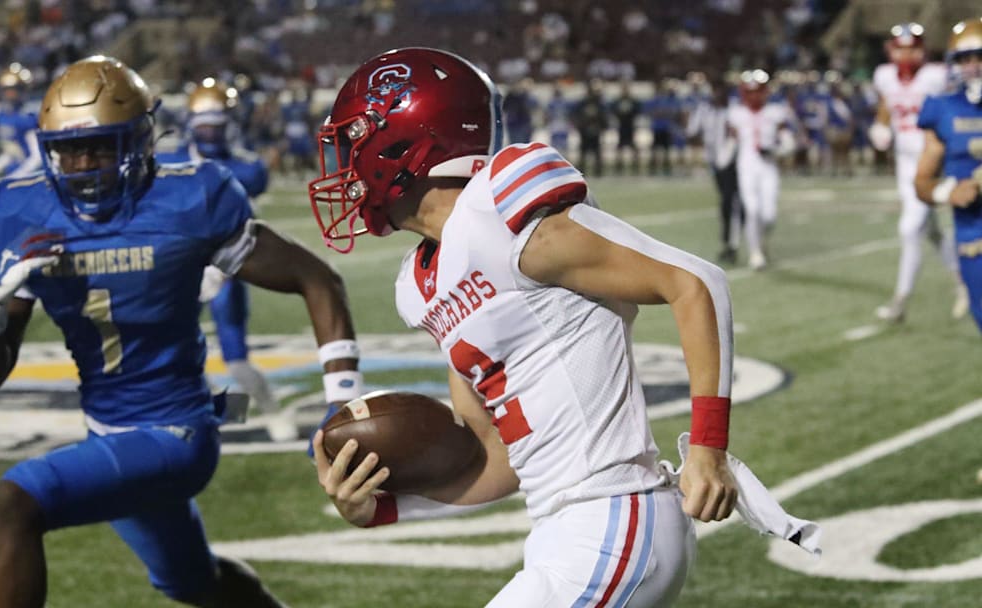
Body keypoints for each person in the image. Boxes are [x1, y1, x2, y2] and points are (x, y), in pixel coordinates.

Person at [307, 47, 739, 607]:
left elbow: (694, 283)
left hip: (615, 516)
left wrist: (708, 449)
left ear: (406, 141)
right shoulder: (420, 287)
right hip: (563, 532)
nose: (346, 166)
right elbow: (496, 459)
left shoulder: (500, 209)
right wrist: (383, 507)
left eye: (355, 142)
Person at [0, 56, 362, 608]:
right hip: (107, 432)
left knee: (17, 501)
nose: (82, 165)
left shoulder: (187, 198)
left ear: (141, 140)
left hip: (177, 432)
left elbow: (316, 279)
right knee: (199, 586)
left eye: (101, 146)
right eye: (68, 150)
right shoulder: (22, 212)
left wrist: (342, 399)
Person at [155, 78, 294, 441]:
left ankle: (272, 411)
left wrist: (223, 269)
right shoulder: (169, 161)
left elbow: (247, 225)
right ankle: (222, 413)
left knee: (236, 358)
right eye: (203, 123)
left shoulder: (247, 168)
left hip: (226, 271)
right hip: (179, 271)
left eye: (216, 124)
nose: (209, 132)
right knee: (172, 355)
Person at [870, 22, 967, 323]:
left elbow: (959, 102)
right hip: (904, 163)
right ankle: (963, 283)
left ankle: (900, 301)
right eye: (901, 47)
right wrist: (881, 125)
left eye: (912, 47)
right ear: (891, 50)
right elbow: (888, 103)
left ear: (922, 50)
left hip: (932, 161)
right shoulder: (885, 76)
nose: (906, 53)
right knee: (932, 232)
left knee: (910, 229)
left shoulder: (935, 76)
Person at [915, 18, 982, 333]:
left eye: (980, 57)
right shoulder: (942, 109)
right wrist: (949, 192)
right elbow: (922, 182)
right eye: (965, 59)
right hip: (973, 239)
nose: (973, 67)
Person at [727, 69, 799, 270]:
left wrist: (777, 151)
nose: (754, 96)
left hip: (768, 167)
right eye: (750, 92)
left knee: (769, 215)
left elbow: (788, 142)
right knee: (752, 210)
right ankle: (755, 252)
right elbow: (731, 142)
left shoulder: (775, 112)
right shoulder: (736, 113)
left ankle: (761, 241)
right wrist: (722, 161)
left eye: (757, 91)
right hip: (746, 166)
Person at [687, 81, 742, 263]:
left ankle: (731, 244)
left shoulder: (734, 109)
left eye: (721, 91)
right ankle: (730, 241)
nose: (717, 95)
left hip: (735, 162)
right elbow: (692, 131)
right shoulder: (705, 109)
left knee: (730, 201)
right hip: (715, 163)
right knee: (727, 201)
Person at [0, 63, 43, 183]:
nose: (9, 93)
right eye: (6, 89)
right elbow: (13, 151)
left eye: (13, 89)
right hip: (16, 170)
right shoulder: (3, 115)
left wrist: (16, 176)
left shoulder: (28, 116)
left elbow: (38, 157)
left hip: (34, 176)